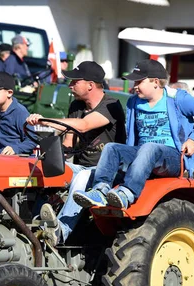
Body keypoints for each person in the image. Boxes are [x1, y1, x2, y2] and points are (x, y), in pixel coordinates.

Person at [73, 59, 194, 210]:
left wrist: (193, 140)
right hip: (143, 154)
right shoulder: (133, 102)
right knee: (111, 148)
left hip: (173, 158)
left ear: (155, 82)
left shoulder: (177, 98)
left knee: (149, 147)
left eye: (138, 82)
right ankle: (100, 191)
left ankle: (127, 193)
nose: (134, 87)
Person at [26, 61, 126, 244]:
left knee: (82, 177)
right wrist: (51, 161)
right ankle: (33, 224)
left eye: (74, 82)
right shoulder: (76, 106)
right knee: (42, 169)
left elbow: (84, 125)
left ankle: (61, 232)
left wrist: (44, 120)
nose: (70, 85)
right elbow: (68, 142)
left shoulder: (111, 106)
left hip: (108, 173)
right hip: (82, 167)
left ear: (90, 85)